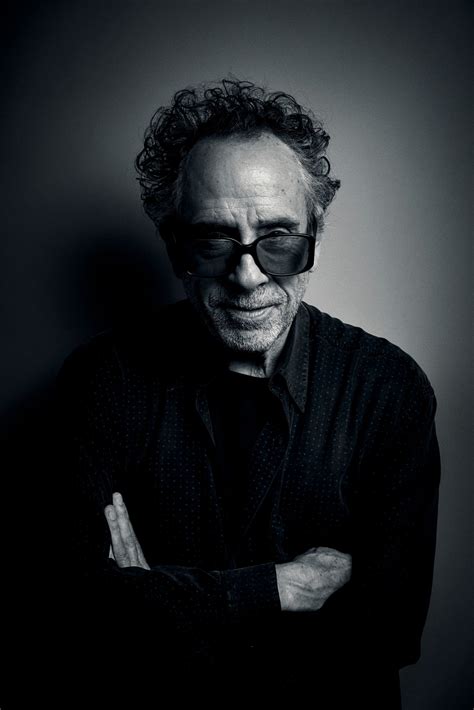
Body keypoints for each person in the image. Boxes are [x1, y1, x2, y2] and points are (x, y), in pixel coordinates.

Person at [54, 79, 440, 708]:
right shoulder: (102, 381)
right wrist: (280, 589)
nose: (247, 275)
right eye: (213, 240)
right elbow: (73, 614)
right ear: (174, 247)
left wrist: (156, 605)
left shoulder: (388, 389)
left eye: (278, 239)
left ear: (315, 238)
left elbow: (387, 633)